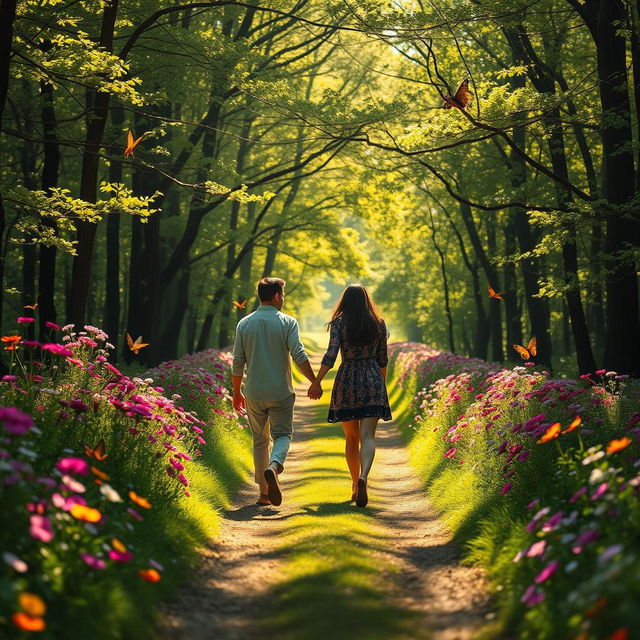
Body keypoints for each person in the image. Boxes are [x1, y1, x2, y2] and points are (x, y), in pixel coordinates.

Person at [232, 277, 319, 506]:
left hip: (253, 392)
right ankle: (274, 466)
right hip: (280, 392)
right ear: (277, 296)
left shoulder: (244, 323)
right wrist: (314, 381)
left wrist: (236, 392)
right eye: (283, 295)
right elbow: (298, 354)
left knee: (260, 440)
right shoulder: (287, 322)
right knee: (282, 435)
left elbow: (238, 361)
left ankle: (263, 494)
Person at [307, 284, 391, 507]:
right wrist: (381, 386)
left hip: (347, 379)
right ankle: (364, 478)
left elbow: (331, 354)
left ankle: (355, 484)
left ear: (344, 301)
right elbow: (383, 359)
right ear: (366, 300)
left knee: (351, 439)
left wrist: (316, 381)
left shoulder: (339, 323)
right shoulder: (378, 324)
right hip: (372, 378)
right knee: (368, 437)